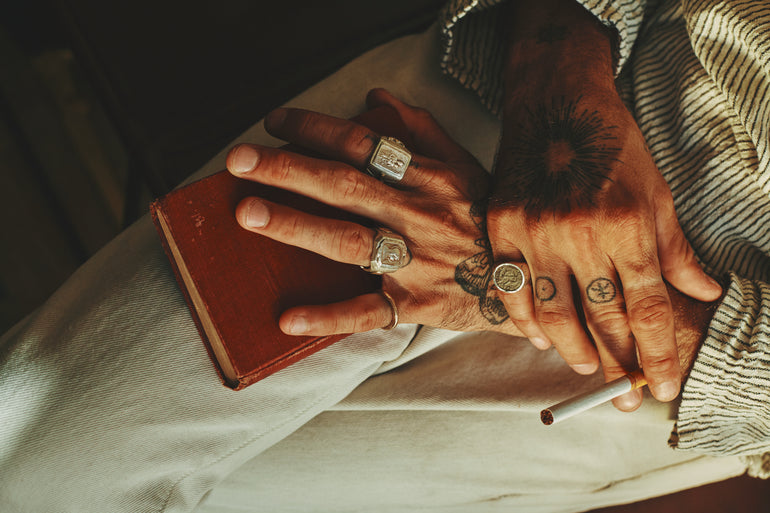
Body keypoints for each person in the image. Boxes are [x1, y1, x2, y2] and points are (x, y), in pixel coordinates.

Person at [0, 1, 767, 513]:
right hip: (547, 108)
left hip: (670, 388)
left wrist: (515, 284)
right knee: (33, 457)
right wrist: (556, 60)